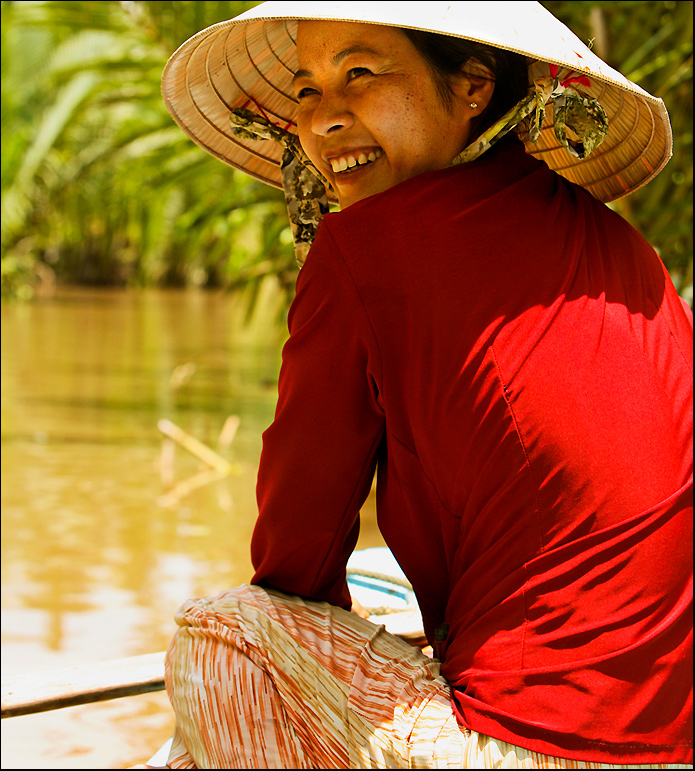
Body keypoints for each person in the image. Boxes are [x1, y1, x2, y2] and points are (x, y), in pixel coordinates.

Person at [160, 2, 693, 768]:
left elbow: (296, 550)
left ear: (473, 87)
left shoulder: (363, 249)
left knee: (227, 629)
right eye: (306, 90)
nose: (324, 120)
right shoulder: (620, 245)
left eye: (361, 74)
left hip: (535, 746)